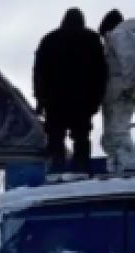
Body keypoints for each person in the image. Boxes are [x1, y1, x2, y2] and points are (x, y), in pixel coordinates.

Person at [33, 8, 109, 174]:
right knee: (81, 136)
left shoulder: (49, 40)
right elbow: (101, 73)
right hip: (82, 101)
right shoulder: (91, 40)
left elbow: (39, 72)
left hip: (55, 100)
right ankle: (81, 167)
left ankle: (56, 168)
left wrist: (40, 100)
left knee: (55, 136)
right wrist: (97, 99)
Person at [99, 10, 135, 174]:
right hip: (117, 90)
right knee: (113, 131)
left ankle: (128, 165)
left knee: (118, 130)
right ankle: (118, 164)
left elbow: (132, 59)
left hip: (120, 90)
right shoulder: (120, 35)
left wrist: (126, 84)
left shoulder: (120, 35)